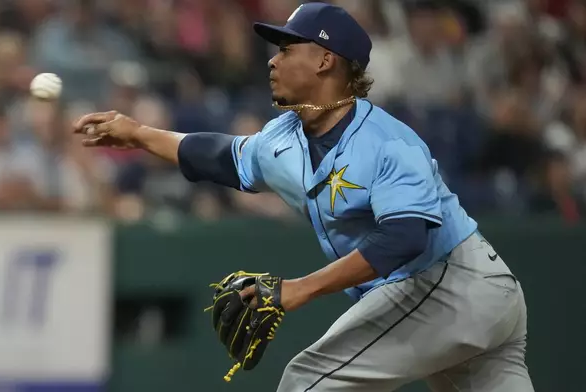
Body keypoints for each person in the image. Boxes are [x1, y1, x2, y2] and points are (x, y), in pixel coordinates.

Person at [73, 3, 534, 391]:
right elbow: (220, 156)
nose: (273, 60)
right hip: (462, 300)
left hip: (449, 283)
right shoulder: (284, 137)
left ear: (325, 60)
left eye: (288, 49)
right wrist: (137, 133)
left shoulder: (389, 142)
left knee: (308, 381)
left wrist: (299, 289)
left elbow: (406, 238)